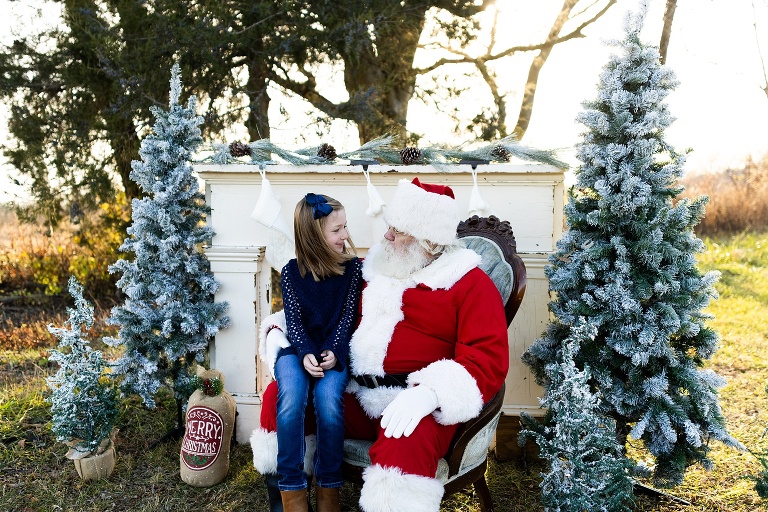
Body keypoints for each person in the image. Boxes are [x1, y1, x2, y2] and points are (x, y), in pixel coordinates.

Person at [253, 178, 509, 512]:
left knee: (405, 444)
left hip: (414, 403)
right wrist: (277, 330)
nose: (386, 235)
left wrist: (430, 394)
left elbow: (486, 359)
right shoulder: (371, 269)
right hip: (354, 392)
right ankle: (288, 502)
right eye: (389, 225)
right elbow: (317, 307)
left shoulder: (470, 284)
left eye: (398, 230)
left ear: (429, 242)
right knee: (279, 397)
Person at [264, 193, 363, 512]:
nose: (345, 235)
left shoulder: (351, 269)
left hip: (334, 352)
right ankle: (292, 489)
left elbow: (347, 317)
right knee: (291, 396)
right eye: (337, 230)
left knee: (328, 402)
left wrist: (334, 351)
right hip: (297, 350)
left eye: (345, 227)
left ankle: (328, 489)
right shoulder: (292, 272)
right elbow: (293, 320)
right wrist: (305, 353)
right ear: (315, 235)